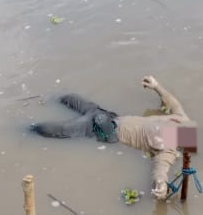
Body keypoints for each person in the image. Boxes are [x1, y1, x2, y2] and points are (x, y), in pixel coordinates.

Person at [30, 76, 189, 198]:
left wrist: (161, 184)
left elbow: (160, 169)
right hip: (106, 115)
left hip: (99, 130)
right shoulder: (181, 119)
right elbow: (174, 103)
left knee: (53, 129)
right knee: (70, 97)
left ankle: (24, 129)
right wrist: (156, 86)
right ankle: (43, 97)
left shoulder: (168, 149)